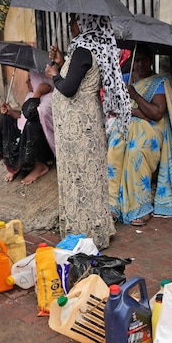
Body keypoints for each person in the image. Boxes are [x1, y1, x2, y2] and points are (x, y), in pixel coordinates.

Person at [46, 13, 130, 250]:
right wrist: (63, 64)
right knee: (89, 175)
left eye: (74, 20)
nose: (70, 24)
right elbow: (80, 77)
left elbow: (70, 88)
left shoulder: (83, 49)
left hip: (78, 125)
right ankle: (96, 229)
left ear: (85, 22)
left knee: (79, 176)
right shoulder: (92, 46)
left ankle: (84, 234)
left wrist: (54, 76)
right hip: (83, 121)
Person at [108, 47, 172, 226]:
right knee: (114, 149)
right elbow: (113, 108)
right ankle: (113, 204)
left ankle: (141, 207)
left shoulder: (159, 82)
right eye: (136, 60)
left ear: (151, 61)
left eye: (143, 60)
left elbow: (157, 114)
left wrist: (134, 96)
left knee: (136, 152)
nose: (139, 64)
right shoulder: (125, 79)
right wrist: (136, 112)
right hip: (127, 126)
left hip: (151, 129)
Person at [0, 70, 54, 185]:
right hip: (27, 134)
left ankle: (40, 166)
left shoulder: (50, 98)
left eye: (30, 79)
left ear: (39, 81)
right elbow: (23, 118)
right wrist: (11, 113)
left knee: (32, 124)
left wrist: (38, 93)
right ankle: (14, 165)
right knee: (4, 120)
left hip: (43, 145)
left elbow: (31, 114)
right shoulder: (30, 95)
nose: (26, 82)